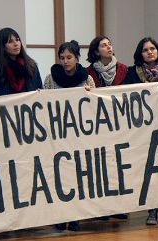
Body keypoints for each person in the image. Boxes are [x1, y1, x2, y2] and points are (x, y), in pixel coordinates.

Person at [123, 37, 158, 225]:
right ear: (140, 54)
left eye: (153, 48)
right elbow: (120, 94)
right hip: (145, 131)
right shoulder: (132, 74)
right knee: (151, 172)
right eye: (146, 49)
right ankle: (152, 211)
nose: (150, 52)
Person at [43, 40, 95, 231]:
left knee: (77, 176)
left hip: (79, 135)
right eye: (62, 58)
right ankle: (60, 215)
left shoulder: (87, 79)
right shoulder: (50, 78)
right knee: (59, 176)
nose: (65, 61)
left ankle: (75, 216)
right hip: (57, 136)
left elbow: (94, 107)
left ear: (77, 58)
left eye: (69, 57)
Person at [86, 35, 129, 220]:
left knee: (117, 165)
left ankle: (118, 207)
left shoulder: (124, 69)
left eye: (110, 44)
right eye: (104, 45)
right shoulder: (88, 72)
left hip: (120, 123)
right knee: (99, 166)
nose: (108, 47)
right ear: (96, 51)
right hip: (98, 125)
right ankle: (101, 208)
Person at [0, 27, 42, 96]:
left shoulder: (31, 65)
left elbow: (39, 89)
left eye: (17, 40)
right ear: (3, 47)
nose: (16, 44)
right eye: (10, 41)